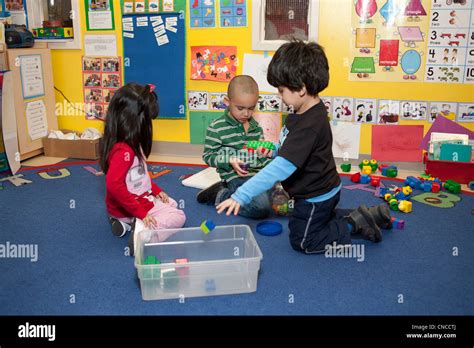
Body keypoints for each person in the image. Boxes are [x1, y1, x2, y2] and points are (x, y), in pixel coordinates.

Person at [217, 41, 392, 254]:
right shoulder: (301, 112)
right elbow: (292, 147)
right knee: (313, 220)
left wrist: (241, 195)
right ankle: (366, 214)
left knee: (303, 241)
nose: (279, 96)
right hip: (319, 192)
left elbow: (280, 168)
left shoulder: (309, 125)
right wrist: (273, 149)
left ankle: (353, 225)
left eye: (281, 90)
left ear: (301, 89)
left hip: (316, 197)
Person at [100, 83, 186, 255]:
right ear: (135, 121)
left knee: (171, 203)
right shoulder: (124, 152)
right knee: (179, 216)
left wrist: (155, 190)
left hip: (123, 207)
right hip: (135, 205)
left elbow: (138, 178)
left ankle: (124, 222)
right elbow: (114, 186)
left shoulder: (129, 144)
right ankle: (145, 234)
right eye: (148, 121)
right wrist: (141, 214)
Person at [197, 75, 273, 219]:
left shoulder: (256, 128)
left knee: (280, 193)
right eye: (240, 108)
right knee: (261, 208)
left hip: (258, 176)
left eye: (251, 108)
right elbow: (208, 156)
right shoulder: (217, 127)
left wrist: (270, 158)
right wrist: (229, 160)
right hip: (236, 177)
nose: (246, 113)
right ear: (227, 102)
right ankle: (220, 194)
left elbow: (261, 156)